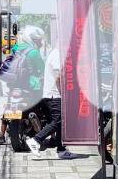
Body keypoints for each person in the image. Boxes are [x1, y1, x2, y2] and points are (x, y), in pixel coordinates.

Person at [25, 27, 78, 159]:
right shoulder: (58, 55)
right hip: (55, 94)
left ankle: (61, 150)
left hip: (55, 94)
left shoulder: (58, 54)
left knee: (61, 122)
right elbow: (58, 76)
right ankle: (36, 140)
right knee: (58, 120)